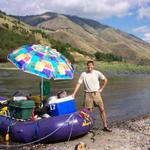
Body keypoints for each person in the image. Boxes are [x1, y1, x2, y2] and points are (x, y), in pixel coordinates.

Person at [72, 60, 112, 132]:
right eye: (88, 65)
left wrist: (101, 88)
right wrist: (74, 93)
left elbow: (105, 80)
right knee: (89, 112)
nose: (89, 66)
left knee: (102, 109)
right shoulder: (83, 74)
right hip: (87, 94)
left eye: (91, 65)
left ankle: (105, 126)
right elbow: (78, 83)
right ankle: (89, 128)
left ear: (93, 66)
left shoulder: (97, 73)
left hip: (96, 93)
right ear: (87, 66)